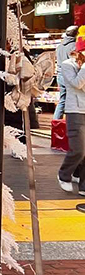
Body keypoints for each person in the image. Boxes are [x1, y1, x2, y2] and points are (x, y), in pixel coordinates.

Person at [58, 37, 85, 194]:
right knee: (78, 149)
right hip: (75, 110)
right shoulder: (68, 65)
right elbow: (77, 84)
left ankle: (83, 184)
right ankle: (64, 175)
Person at [54, 25, 79, 119]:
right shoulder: (73, 46)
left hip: (60, 74)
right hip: (70, 75)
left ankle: (55, 122)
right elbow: (74, 62)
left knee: (63, 100)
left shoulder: (60, 46)